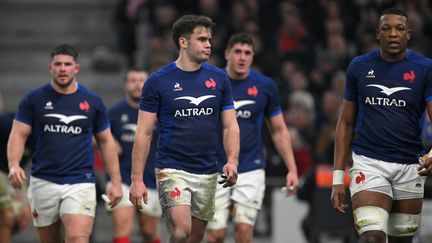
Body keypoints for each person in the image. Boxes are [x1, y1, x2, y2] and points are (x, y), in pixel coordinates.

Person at [129, 15, 240, 243]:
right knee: (181, 231)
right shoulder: (158, 81)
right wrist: (137, 179)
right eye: (201, 39)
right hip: (172, 168)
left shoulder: (219, 79)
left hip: (208, 169)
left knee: (195, 237)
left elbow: (230, 126)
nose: (208, 44)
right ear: (183, 42)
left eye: (209, 39)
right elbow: (144, 132)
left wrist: (232, 160)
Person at [331, 8, 432, 243]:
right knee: (372, 237)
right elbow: (345, 124)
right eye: (386, 28)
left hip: (410, 166)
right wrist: (338, 179)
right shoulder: (359, 67)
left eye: (399, 29)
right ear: (378, 34)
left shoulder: (425, 68)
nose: (393, 34)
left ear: (409, 34)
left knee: (401, 240)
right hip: (369, 163)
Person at [7, 44, 123, 243]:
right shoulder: (34, 99)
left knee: (78, 237)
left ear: (76, 68)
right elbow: (18, 134)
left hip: (80, 180)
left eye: (67, 64)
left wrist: (116, 181)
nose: (62, 68)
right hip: (43, 180)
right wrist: (14, 165)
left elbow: (106, 141)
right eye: (58, 64)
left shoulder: (92, 100)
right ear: (50, 68)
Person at [206, 33, 299, 243]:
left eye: (247, 53)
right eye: (237, 52)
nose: (242, 57)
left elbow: (279, 130)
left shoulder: (265, 86)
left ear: (252, 56)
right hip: (213, 167)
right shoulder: (211, 82)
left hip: (251, 167)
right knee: (216, 235)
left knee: (244, 230)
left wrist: (292, 168)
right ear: (227, 54)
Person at [106, 68, 161, 243]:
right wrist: (108, 139)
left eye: (141, 80)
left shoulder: (159, 113)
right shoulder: (113, 113)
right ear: (125, 85)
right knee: (122, 227)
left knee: (149, 231)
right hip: (121, 179)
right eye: (132, 80)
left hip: (151, 179)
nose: (137, 85)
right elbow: (94, 135)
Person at [0, 109, 32, 243]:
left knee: (20, 219)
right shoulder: (6, 123)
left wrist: (28, 202)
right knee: (7, 215)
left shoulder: (41, 136)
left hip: (12, 174)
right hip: (3, 172)